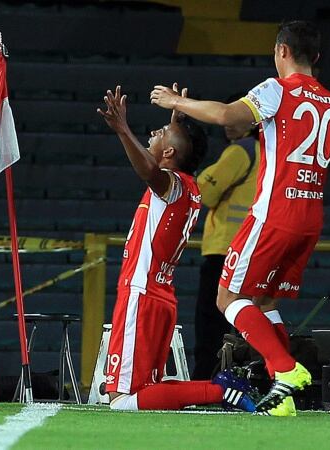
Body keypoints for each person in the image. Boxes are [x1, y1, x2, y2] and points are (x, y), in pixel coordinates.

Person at [150, 20, 330, 415]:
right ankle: (282, 394)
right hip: (310, 217)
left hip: (275, 214)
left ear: (282, 51)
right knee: (265, 301)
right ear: (317, 57)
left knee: (228, 298)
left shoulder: (276, 89)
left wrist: (177, 103)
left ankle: (287, 369)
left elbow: (225, 115)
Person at [97, 85, 256, 412]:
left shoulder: (169, 182)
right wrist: (175, 124)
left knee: (122, 401)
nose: (152, 134)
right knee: (148, 389)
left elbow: (151, 170)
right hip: (159, 296)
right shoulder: (188, 186)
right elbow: (166, 161)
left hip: (141, 294)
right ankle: (221, 388)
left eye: (160, 133)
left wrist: (122, 129)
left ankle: (219, 392)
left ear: (169, 154)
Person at [192, 97, 259, 380]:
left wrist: (199, 175)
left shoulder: (240, 151)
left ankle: (206, 381)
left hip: (224, 249)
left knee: (211, 323)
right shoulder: (266, 151)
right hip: (250, 248)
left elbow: (204, 192)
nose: (228, 123)